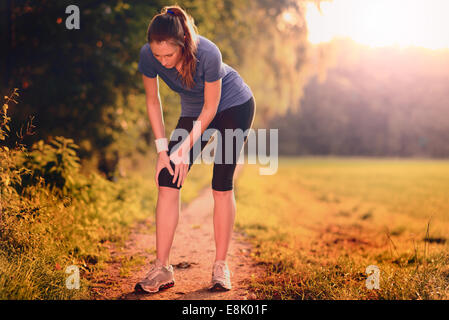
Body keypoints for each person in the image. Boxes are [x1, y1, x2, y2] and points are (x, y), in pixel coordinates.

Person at [134, 5, 256, 293]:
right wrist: (164, 152)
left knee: (221, 185)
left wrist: (185, 148)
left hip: (233, 107)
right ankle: (162, 267)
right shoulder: (148, 56)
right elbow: (153, 102)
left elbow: (212, 107)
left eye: (169, 55)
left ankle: (220, 266)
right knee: (168, 178)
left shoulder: (208, 53)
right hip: (193, 111)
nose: (162, 61)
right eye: (157, 55)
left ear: (183, 46)